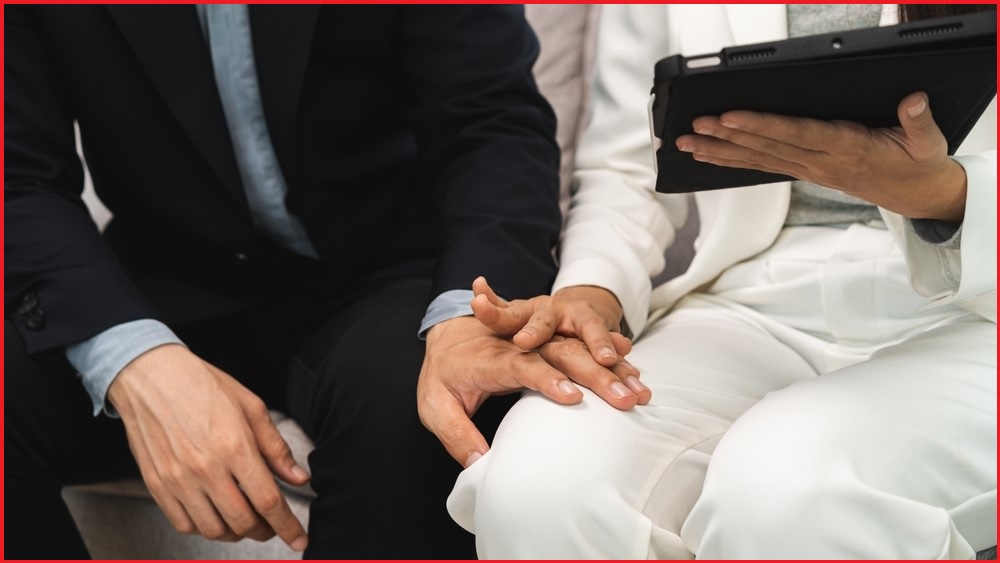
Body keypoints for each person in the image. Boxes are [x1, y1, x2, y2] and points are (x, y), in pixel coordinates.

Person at [4, 5, 586, 559]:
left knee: (419, 413)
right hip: (167, 280)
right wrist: (136, 360)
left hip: (388, 276)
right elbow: (20, 176)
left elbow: (490, 121)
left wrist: (467, 314)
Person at [445, 4, 997, 559]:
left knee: (783, 493)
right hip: (752, 293)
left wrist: (941, 197)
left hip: (978, 304)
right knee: (539, 485)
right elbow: (628, 164)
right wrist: (593, 291)